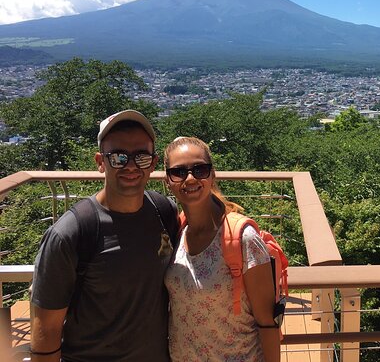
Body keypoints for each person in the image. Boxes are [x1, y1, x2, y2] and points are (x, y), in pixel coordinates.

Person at [30, 110, 178, 361]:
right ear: (100, 162)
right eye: (118, 157)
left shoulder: (164, 212)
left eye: (141, 157)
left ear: (153, 164)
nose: (130, 166)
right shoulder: (72, 233)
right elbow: (46, 330)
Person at [163, 136, 280, 362]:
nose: (190, 179)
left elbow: (267, 323)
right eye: (178, 172)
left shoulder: (243, 239)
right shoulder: (176, 233)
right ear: (167, 180)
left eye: (200, 170)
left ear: (212, 174)